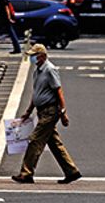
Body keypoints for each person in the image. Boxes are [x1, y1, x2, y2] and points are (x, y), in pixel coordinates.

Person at [10, 43, 81, 185]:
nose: (32, 58)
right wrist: (28, 111)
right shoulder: (37, 71)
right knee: (54, 143)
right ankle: (71, 171)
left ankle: (26, 173)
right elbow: (36, 93)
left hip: (50, 111)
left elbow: (58, 91)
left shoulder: (50, 69)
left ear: (42, 56)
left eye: (34, 56)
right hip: (42, 111)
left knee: (34, 140)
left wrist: (63, 113)